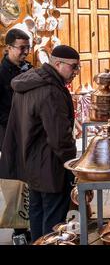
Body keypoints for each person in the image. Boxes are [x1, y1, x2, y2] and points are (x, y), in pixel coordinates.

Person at [0, 45, 80, 242]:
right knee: (53, 222)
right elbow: (59, 138)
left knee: (37, 214)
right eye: (74, 67)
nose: (76, 72)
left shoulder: (30, 81)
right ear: (58, 64)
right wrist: (72, 165)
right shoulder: (50, 90)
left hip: (32, 163)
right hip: (51, 166)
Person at [0, 28, 33, 244]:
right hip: (10, 134)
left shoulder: (28, 68)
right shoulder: (1, 74)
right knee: (16, 180)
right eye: (21, 48)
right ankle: (18, 231)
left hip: (29, 132)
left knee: (30, 180)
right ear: (8, 48)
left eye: (28, 48)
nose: (25, 53)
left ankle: (30, 224)